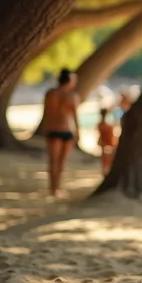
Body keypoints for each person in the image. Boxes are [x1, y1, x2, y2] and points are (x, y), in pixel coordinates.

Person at [36, 68, 81, 197]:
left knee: (52, 161)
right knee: (62, 162)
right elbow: (75, 116)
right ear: (70, 81)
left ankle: (52, 188)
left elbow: (46, 113)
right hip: (66, 130)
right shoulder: (72, 96)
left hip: (52, 129)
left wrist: (45, 128)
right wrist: (78, 132)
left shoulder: (50, 94)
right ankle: (58, 187)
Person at [96, 108, 116, 176]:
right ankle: (106, 171)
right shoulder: (108, 126)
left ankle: (105, 171)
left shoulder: (100, 125)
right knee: (108, 158)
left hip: (104, 143)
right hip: (107, 143)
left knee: (105, 158)